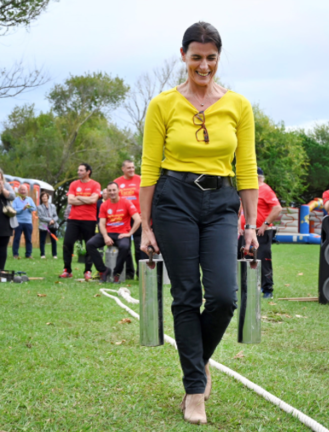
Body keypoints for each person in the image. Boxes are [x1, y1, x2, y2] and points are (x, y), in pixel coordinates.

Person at [139, 22, 258, 425]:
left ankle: (198, 360)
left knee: (224, 296)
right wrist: (146, 225)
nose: (203, 65)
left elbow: (247, 168)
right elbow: (149, 168)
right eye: (196, 57)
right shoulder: (163, 105)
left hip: (223, 203)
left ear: (218, 58)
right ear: (183, 55)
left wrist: (252, 225)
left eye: (210, 58)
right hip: (175, 200)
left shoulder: (239, 106)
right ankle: (194, 390)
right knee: (186, 295)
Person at [86, 183, 141, 282]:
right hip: (108, 233)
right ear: (106, 192)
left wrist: (129, 233)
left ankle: (117, 273)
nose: (112, 192)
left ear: (118, 190)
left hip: (122, 234)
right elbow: (101, 224)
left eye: (114, 190)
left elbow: (138, 219)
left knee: (125, 247)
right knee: (90, 244)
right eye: (109, 190)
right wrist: (106, 236)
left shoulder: (127, 203)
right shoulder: (104, 205)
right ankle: (103, 270)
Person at [239, 168, 281, 298]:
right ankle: (245, 288)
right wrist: (238, 225)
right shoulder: (247, 191)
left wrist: (265, 224)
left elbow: (277, 208)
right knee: (244, 259)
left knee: (263, 259)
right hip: (246, 231)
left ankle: (267, 289)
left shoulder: (265, 189)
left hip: (261, 232)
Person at [60, 163, 101, 280]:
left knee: (89, 245)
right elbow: (70, 200)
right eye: (78, 170)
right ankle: (67, 270)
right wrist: (86, 200)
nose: (79, 172)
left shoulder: (95, 184)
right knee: (67, 243)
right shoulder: (74, 184)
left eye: (81, 170)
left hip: (89, 220)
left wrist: (78, 198)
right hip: (73, 219)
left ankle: (87, 270)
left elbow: (94, 200)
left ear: (88, 172)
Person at [112, 159, 142, 279]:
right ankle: (129, 272)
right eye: (129, 168)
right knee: (125, 246)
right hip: (123, 219)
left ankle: (141, 273)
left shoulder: (140, 179)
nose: (131, 170)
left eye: (133, 167)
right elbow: (113, 200)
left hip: (138, 217)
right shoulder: (117, 182)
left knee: (139, 246)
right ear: (123, 169)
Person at [12, 184, 36, 259]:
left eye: (24, 190)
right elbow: (13, 210)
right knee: (17, 238)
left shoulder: (30, 199)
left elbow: (34, 209)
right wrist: (23, 208)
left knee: (28, 239)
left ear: (27, 191)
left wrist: (29, 207)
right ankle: (15, 254)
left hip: (28, 222)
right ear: (18, 191)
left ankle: (28, 254)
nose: (23, 191)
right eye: (21, 190)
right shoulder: (16, 200)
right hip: (18, 222)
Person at [37, 192, 58, 259]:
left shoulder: (53, 206)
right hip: (43, 225)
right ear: (41, 198)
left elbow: (56, 216)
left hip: (52, 225)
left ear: (48, 197)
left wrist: (53, 221)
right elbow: (41, 217)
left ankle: (54, 254)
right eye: (43, 197)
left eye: (45, 196)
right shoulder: (39, 207)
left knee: (53, 240)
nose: (44, 198)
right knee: (42, 240)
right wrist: (50, 220)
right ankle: (42, 254)